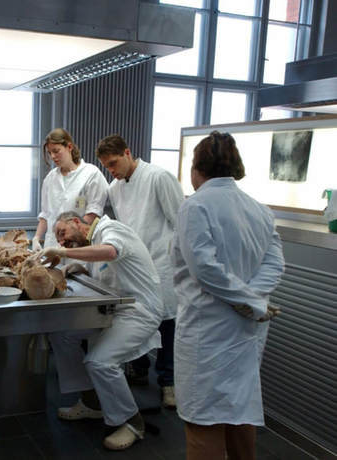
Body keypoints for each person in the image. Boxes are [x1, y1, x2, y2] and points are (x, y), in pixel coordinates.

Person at [170, 131, 284, 460]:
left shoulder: (195, 205)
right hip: (248, 329)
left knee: (202, 421)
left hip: (208, 330)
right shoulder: (260, 210)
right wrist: (254, 300)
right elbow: (275, 263)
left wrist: (248, 301)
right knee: (240, 412)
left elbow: (205, 269)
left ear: (196, 168)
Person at [39, 211, 164, 451]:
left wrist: (62, 253)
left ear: (77, 222)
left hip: (138, 311)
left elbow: (110, 253)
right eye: (59, 240)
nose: (62, 241)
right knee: (61, 334)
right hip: (112, 310)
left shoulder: (111, 229)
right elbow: (105, 272)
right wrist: (75, 268)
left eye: (62, 233)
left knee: (100, 362)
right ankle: (91, 402)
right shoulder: (92, 242)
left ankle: (131, 422)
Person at [96, 134, 184, 408]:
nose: (111, 171)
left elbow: (181, 221)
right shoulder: (115, 188)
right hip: (134, 266)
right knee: (134, 318)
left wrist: (182, 265)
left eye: (113, 163)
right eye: (106, 167)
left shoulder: (159, 177)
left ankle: (168, 382)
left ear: (127, 152)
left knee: (167, 323)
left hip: (162, 262)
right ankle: (139, 369)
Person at [32, 128, 108, 251]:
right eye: (50, 153)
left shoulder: (91, 174)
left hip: (78, 246)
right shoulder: (50, 178)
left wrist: (68, 235)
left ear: (69, 147)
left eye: (56, 151)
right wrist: (36, 238)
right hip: (52, 245)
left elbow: (93, 214)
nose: (53, 156)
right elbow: (45, 215)